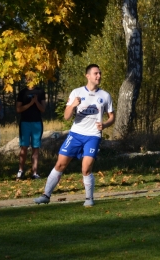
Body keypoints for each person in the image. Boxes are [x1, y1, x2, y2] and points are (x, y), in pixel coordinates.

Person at [34, 64, 115, 207]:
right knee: (60, 164)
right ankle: (46, 195)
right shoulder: (76, 92)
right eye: (96, 73)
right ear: (88, 76)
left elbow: (111, 117)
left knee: (86, 168)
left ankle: (89, 199)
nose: (99, 76)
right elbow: (66, 117)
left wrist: (106, 124)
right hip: (76, 134)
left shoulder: (105, 95)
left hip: (93, 136)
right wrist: (72, 105)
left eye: (100, 73)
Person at [16, 78, 46, 180]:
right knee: (24, 147)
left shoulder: (40, 92)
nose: (29, 80)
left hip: (37, 123)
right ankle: (20, 171)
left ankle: (35, 172)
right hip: (25, 123)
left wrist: (36, 102)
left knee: (35, 148)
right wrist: (30, 103)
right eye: (27, 78)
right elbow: (18, 109)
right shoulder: (22, 93)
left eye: (31, 77)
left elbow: (43, 109)